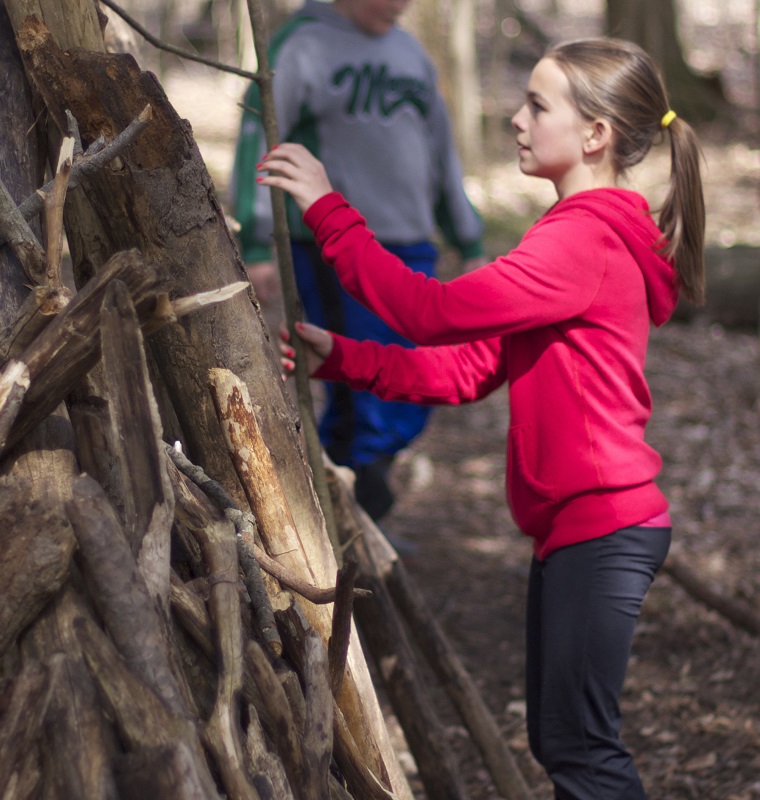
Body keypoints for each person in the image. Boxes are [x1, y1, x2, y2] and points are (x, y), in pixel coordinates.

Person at [258, 37, 706, 799]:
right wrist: (347, 360)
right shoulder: (577, 237)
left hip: (603, 527)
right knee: (563, 742)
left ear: (594, 135)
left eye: (538, 105)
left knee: (583, 753)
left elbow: (429, 313)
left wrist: (329, 212)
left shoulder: (582, 241)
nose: (518, 120)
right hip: (579, 527)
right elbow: (468, 369)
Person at [231, 0, 485, 520]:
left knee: (419, 377)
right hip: (335, 247)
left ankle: (371, 494)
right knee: (357, 391)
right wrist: (258, 239)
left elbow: (441, 153)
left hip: (412, 241)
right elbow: (259, 135)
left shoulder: (410, 53)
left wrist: (467, 234)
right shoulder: (302, 44)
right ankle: (350, 516)